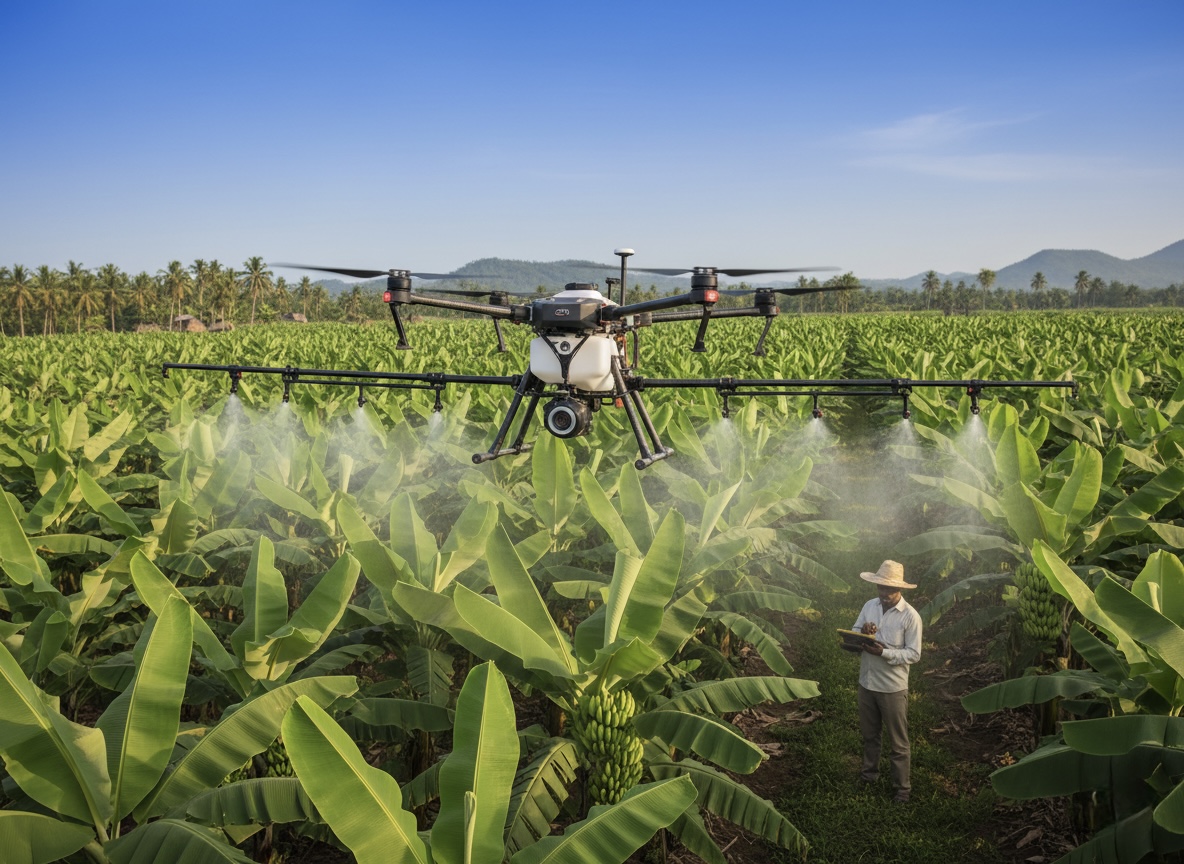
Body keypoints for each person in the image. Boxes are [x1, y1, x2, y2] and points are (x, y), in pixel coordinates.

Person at [852, 559, 922, 803]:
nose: (883, 594)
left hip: (892, 687)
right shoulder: (869, 606)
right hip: (867, 682)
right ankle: (868, 775)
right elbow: (855, 630)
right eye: (880, 588)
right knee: (870, 735)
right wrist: (863, 633)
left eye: (889, 590)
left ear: (899, 590)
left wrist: (884, 652)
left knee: (898, 742)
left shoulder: (910, 617)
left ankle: (902, 788)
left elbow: (914, 654)